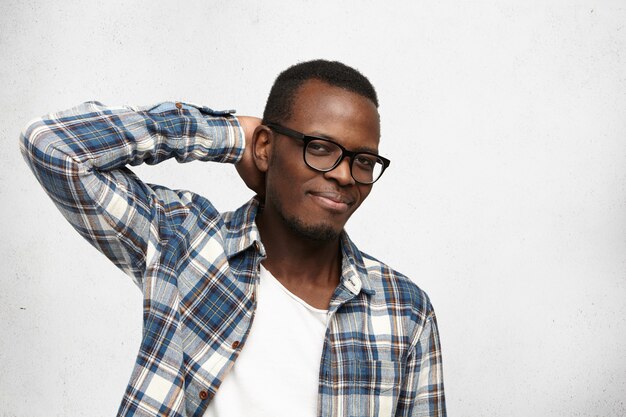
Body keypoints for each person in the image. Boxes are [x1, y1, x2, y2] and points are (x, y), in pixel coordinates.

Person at [21, 60, 446, 417]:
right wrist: (230, 136)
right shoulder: (183, 243)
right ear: (266, 147)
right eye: (319, 147)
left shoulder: (404, 311)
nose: (342, 174)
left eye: (364, 160)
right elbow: (54, 146)